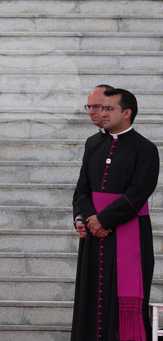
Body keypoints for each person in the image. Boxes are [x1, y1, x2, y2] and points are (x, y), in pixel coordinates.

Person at [70, 88, 159, 341]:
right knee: (92, 293)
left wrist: (104, 219)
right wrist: (83, 218)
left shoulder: (145, 149)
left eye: (108, 109)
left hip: (127, 231)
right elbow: (82, 188)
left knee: (125, 295)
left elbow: (139, 193)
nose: (101, 113)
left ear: (126, 112)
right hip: (96, 235)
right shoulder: (92, 144)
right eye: (99, 108)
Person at [75, 84, 113, 239]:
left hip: (118, 225)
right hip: (91, 226)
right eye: (89, 106)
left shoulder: (139, 146)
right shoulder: (92, 142)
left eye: (96, 106)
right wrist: (80, 217)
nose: (91, 112)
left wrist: (101, 221)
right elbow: (82, 187)